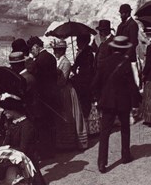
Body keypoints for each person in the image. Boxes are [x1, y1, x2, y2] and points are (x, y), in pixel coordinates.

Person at [92, 36, 140, 173]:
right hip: (123, 102)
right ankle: (125, 155)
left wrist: (98, 98)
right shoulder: (125, 63)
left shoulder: (103, 63)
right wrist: (135, 103)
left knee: (104, 132)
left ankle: (102, 162)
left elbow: (95, 84)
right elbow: (132, 86)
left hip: (107, 103)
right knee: (125, 129)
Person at [52, 39, 88, 151]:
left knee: (68, 114)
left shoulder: (66, 62)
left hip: (66, 91)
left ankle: (70, 143)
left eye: (57, 50)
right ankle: (63, 143)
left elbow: (63, 81)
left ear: (61, 50)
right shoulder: (59, 61)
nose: (55, 52)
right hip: (61, 90)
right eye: (55, 49)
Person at [27, 36, 59, 158]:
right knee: (50, 124)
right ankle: (51, 150)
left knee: (43, 126)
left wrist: (30, 60)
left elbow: (34, 74)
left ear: (36, 46)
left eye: (31, 49)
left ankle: (46, 152)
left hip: (43, 97)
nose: (31, 52)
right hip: (52, 94)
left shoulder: (40, 60)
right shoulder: (50, 56)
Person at [70, 34, 95, 117]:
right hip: (90, 79)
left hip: (84, 81)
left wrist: (72, 68)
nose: (77, 44)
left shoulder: (83, 54)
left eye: (78, 42)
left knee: (84, 103)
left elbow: (76, 67)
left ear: (82, 42)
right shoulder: (90, 52)